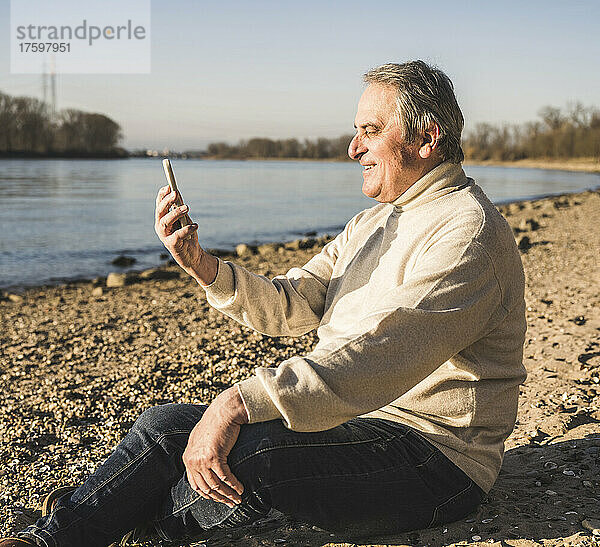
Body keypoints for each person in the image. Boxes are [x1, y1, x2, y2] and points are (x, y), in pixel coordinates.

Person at [3, 60, 527, 547]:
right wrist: (202, 264)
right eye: (356, 131)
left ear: (427, 138)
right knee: (163, 428)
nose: (352, 148)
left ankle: (139, 524)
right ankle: (56, 537)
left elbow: (377, 356)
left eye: (369, 131)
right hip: (356, 419)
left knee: (248, 457)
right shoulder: (376, 222)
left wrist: (238, 401)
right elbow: (293, 303)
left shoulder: (468, 233)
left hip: (434, 461)